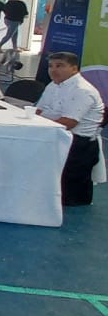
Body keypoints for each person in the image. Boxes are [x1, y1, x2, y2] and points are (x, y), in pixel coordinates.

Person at [36, 52, 105, 206]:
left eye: (60, 66)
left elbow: (68, 122)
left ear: (74, 69)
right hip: (56, 131)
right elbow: (38, 110)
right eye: (50, 66)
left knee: (69, 199)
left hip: (78, 143)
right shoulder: (53, 85)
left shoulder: (82, 90)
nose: (53, 70)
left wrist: (37, 125)